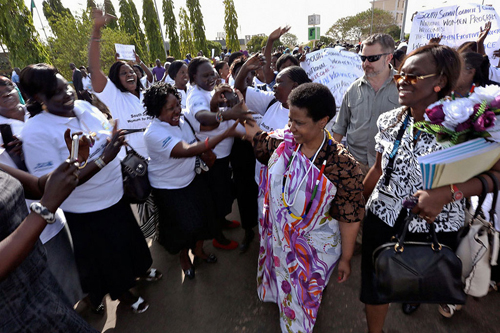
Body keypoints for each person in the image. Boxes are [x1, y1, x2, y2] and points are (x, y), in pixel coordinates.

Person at [360, 44, 500, 333]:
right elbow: (377, 169)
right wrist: (358, 207)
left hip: (435, 225)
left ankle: (412, 294)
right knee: (375, 286)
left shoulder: (466, 126)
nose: (402, 81)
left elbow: (497, 175)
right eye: (400, 74)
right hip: (382, 219)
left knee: (421, 281)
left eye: (414, 76)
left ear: (440, 82)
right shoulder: (389, 120)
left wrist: (448, 194)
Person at [19, 63, 156, 314]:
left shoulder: (82, 107)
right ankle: (124, 293)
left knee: (130, 242)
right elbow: (53, 185)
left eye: (67, 87)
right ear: (40, 98)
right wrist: (103, 157)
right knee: (109, 257)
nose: (69, 94)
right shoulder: (36, 132)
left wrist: (112, 136)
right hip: (88, 210)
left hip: (116, 195)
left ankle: (141, 271)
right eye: (58, 93)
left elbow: (105, 130)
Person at [243, 82, 364, 333]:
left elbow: (349, 218)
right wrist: (237, 107)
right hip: (280, 243)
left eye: (299, 122)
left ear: (323, 121)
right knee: (285, 288)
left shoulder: (341, 166)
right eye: (290, 119)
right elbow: (255, 137)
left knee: (305, 300)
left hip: (313, 255)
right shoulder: (283, 145)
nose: (291, 127)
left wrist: (346, 258)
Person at [0, 75, 83, 306]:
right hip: (24, 223)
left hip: (58, 209)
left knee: (71, 266)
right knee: (53, 283)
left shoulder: (39, 114)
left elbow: (45, 179)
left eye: (8, 85)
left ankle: (86, 302)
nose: (5, 91)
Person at [143, 82, 240, 278]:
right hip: (170, 188)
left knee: (204, 218)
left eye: (177, 105)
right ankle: (184, 257)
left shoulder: (183, 118)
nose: (177, 111)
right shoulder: (153, 133)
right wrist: (225, 134)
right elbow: (186, 151)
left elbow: (203, 129)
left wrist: (220, 116)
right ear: (156, 110)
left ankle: (198, 250)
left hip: (192, 179)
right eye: (170, 108)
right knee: (182, 227)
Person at [0, 158, 98, 332]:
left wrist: (72, 162)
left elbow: (37, 186)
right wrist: (46, 208)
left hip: (41, 283)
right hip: (13, 313)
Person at [184, 56, 252, 250]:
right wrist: (229, 114)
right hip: (214, 157)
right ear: (193, 77)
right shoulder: (195, 96)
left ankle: (222, 220)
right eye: (204, 75)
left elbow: (215, 107)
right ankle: (217, 237)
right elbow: (203, 118)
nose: (210, 78)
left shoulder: (209, 89)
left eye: (212, 73)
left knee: (224, 194)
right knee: (215, 198)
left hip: (226, 152)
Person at [333, 33, 399, 175]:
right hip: (355, 166)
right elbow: (339, 129)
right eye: (363, 58)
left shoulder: (404, 87)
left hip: (391, 169)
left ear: (389, 58)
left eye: (372, 58)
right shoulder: (353, 89)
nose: (366, 64)